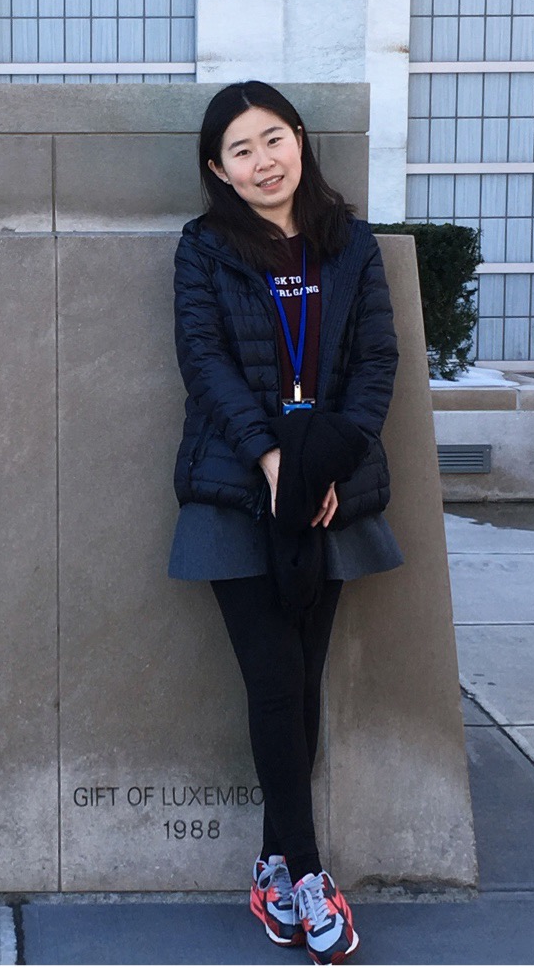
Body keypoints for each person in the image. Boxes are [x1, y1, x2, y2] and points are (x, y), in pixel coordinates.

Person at [169, 81, 403, 964]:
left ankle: (272, 866)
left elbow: (376, 359)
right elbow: (206, 361)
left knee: (303, 681)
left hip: (331, 487)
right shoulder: (203, 249)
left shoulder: (350, 244)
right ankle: (307, 870)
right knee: (271, 679)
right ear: (218, 171)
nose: (263, 159)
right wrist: (277, 465)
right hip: (239, 486)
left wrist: (327, 465)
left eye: (274, 138)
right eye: (241, 149)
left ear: (300, 142)